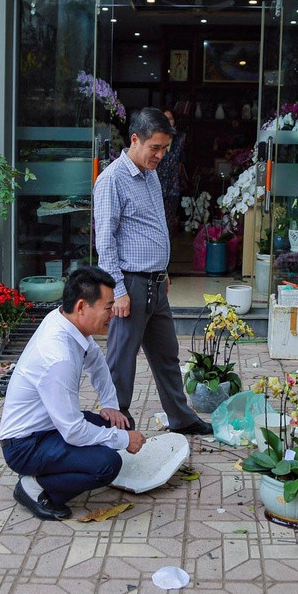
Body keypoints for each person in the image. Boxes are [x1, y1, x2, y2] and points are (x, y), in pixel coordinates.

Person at [93, 107, 213, 436]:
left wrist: (164, 270)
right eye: (155, 148)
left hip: (156, 284)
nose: (160, 155)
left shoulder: (150, 174)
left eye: (165, 149)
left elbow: (152, 227)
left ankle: (182, 418)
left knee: (167, 357)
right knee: (121, 362)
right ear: (135, 140)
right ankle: (116, 426)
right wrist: (116, 290)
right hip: (129, 286)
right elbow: (104, 242)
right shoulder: (111, 180)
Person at [0, 267, 147, 521]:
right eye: (108, 308)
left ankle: (53, 471)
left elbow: (97, 362)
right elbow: (74, 431)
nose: (112, 315)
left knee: (121, 422)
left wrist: (111, 405)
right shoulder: (58, 357)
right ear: (81, 307)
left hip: (49, 429)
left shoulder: (66, 322)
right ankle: (34, 487)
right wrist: (124, 441)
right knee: (108, 464)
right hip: (24, 445)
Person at [157, 110, 187, 236]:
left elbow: (181, 162)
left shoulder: (179, 140)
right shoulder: (155, 140)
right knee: (156, 222)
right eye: (165, 119)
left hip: (173, 187)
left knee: (169, 223)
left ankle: (167, 253)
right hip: (156, 186)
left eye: (170, 118)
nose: (168, 122)